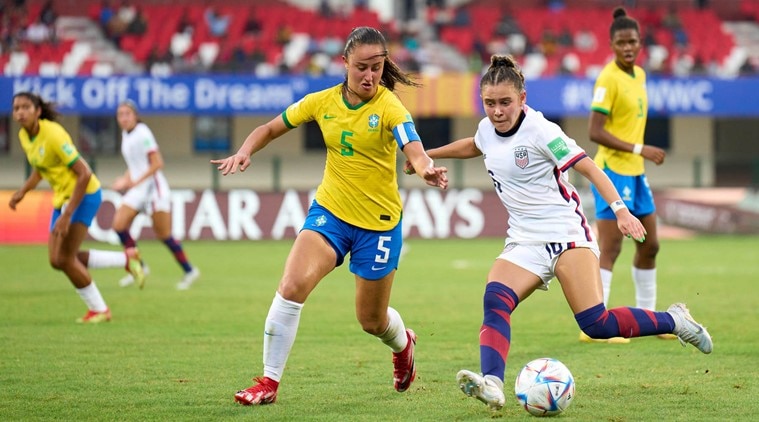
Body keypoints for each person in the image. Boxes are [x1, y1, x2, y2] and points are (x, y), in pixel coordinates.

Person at [405, 54, 712, 413]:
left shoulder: (542, 131)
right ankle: (492, 383)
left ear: (523, 98)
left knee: (596, 324)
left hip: (567, 236)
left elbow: (590, 169)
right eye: (489, 103)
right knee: (495, 302)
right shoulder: (487, 128)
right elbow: (476, 144)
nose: (497, 111)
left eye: (505, 102)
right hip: (523, 241)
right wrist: (425, 157)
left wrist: (621, 210)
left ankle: (674, 320)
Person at [210, 26, 449, 406]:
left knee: (371, 322)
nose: (369, 76)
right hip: (331, 215)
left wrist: (425, 169)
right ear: (345, 64)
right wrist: (245, 150)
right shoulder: (321, 102)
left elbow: (413, 148)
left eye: (376, 67)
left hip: (379, 225)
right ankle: (268, 383)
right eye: (361, 68)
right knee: (290, 288)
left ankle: (404, 346)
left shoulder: (390, 107)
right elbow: (271, 127)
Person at [9, 92, 145, 323]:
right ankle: (126, 260)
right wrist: (23, 192)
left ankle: (100, 310)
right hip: (62, 198)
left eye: (25, 107)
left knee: (64, 258)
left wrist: (67, 215)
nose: (20, 112)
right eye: (16, 108)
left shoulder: (53, 134)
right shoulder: (24, 135)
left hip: (84, 195)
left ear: (38, 111)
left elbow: (84, 173)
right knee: (57, 259)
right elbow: (42, 167)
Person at [586, 7, 672, 344]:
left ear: (640, 43)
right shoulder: (608, 78)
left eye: (632, 42)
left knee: (650, 245)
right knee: (611, 247)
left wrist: (638, 155)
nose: (627, 47)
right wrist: (640, 149)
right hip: (612, 169)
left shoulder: (639, 75)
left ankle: (648, 318)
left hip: (635, 174)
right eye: (621, 42)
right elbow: (594, 131)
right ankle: (594, 326)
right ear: (611, 43)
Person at [111, 100, 200, 290]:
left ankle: (190, 270)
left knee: (163, 234)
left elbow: (157, 163)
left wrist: (135, 181)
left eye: (127, 114)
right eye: (120, 114)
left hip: (154, 189)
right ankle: (139, 267)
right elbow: (136, 164)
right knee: (118, 225)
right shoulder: (126, 135)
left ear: (135, 116)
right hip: (138, 189)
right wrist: (126, 179)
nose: (124, 118)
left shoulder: (143, 133)